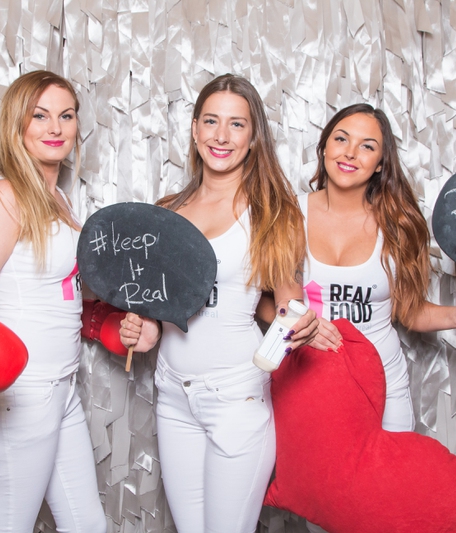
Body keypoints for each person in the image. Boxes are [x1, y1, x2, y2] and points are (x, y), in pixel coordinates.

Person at [119, 74, 318, 533]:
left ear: (253, 137)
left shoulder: (272, 212)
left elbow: (288, 303)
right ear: (194, 130)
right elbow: (159, 311)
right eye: (211, 121)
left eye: (236, 124)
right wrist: (144, 329)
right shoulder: (167, 210)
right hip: (173, 395)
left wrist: (298, 324)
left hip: (236, 396)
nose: (221, 136)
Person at [0, 70, 107, 532]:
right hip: (20, 393)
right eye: (40, 116)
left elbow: (66, 290)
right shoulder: (5, 197)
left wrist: (119, 313)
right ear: (18, 123)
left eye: (66, 116)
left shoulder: (59, 199)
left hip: (61, 387)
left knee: (87, 527)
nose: (55, 128)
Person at [296, 103, 456, 432]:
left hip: (382, 383)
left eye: (367, 146)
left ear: (380, 164)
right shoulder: (290, 214)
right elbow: (262, 301)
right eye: (341, 139)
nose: (350, 153)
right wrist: (300, 327)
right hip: (307, 380)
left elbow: (409, 311)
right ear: (324, 147)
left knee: (389, 465)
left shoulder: (397, 224)